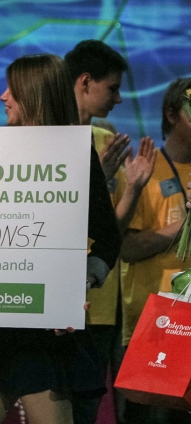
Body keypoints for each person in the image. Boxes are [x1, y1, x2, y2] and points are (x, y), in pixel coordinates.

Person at [0, 54, 121, 424]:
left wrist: (78, 283)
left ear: (33, 95)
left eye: (12, 89)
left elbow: (107, 237)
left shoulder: (75, 155)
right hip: (7, 312)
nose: (2, 96)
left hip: (49, 322)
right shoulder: (0, 152)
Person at [65, 39, 156, 424]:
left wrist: (132, 188)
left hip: (99, 304)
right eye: (113, 88)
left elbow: (109, 233)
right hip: (51, 301)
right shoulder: (45, 138)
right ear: (85, 81)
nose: (119, 99)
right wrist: (95, 179)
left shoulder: (109, 142)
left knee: (85, 407)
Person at [120, 77, 191, 424]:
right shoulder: (144, 171)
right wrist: (183, 224)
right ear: (172, 114)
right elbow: (127, 249)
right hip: (155, 324)